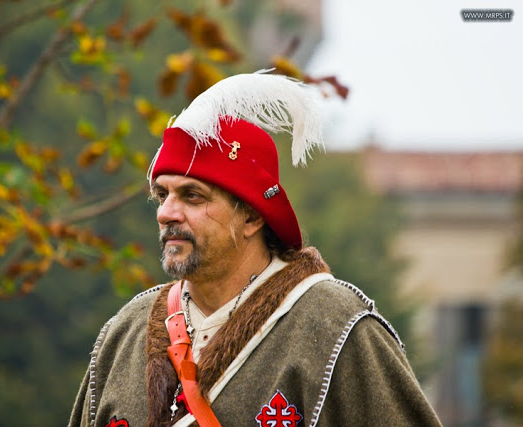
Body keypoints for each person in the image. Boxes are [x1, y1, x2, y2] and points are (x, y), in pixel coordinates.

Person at [69, 72, 442, 427]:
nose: (166, 213)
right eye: (162, 194)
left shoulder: (336, 326)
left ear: (251, 217)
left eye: (192, 196)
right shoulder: (124, 333)